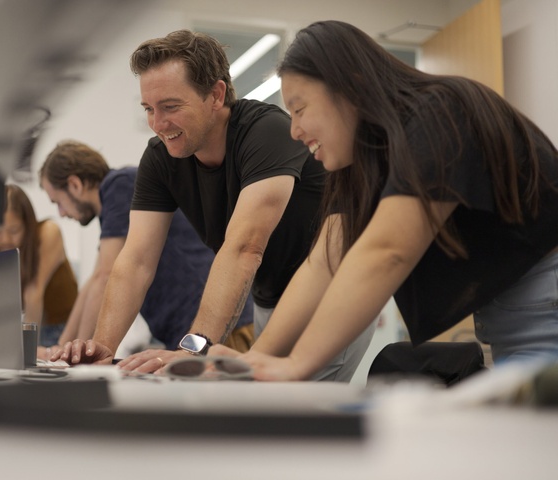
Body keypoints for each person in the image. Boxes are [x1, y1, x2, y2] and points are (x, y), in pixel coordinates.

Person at [211, 20, 558, 381]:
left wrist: (298, 363)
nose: (295, 131)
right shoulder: (366, 161)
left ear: (352, 88)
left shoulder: (440, 112)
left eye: (299, 109)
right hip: (515, 311)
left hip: (545, 302)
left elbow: (387, 250)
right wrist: (257, 358)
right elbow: (324, 262)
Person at [53, 29, 376, 381]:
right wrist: (103, 348)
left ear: (216, 94)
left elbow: (244, 248)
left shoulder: (266, 132)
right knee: (264, 419)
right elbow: (135, 261)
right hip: (270, 300)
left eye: (171, 107)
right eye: (149, 109)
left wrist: (190, 351)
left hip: (329, 292)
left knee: (297, 423)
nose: (158, 124)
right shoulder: (161, 159)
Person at [39, 140, 253, 356]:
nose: (62, 213)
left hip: (215, 328)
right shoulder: (114, 202)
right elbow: (94, 281)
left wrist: (78, 351)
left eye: (58, 202)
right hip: (190, 330)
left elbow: (103, 277)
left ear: (75, 184)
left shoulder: (118, 185)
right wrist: (62, 346)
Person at [0, 184, 78, 349]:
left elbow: (33, 292)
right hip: (20, 327)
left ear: (28, 225)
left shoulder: (48, 232)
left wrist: (28, 349)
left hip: (63, 329)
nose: (5, 239)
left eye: (14, 230)